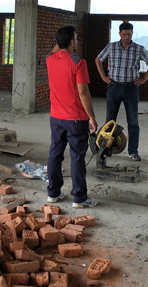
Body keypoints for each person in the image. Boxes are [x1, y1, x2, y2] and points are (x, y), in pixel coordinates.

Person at [46, 26, 98, 208]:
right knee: (77, 157)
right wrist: (91, 116)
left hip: (56, 117)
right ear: (71, 42)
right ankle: (80, 198)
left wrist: (61, 42)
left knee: (55, 153)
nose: (76, 42)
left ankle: (53, 193)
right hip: (76, 118)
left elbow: (55, 50)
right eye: (75, 39)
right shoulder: (78, 62)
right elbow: (83, 92)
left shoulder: (49, 59)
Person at [96, 22, 148, 161]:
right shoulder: (111, 47)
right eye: (124, 34)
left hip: (131, 88)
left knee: (133, 121)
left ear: (132, 33)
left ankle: (133, 151)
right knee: (109, 120)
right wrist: (103, 76)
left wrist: (144, 78)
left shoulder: (139, 49)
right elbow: (98, 59)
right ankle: (105, 149)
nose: (126, 37)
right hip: (114, 87)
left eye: (129, 34)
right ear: (119, 34)